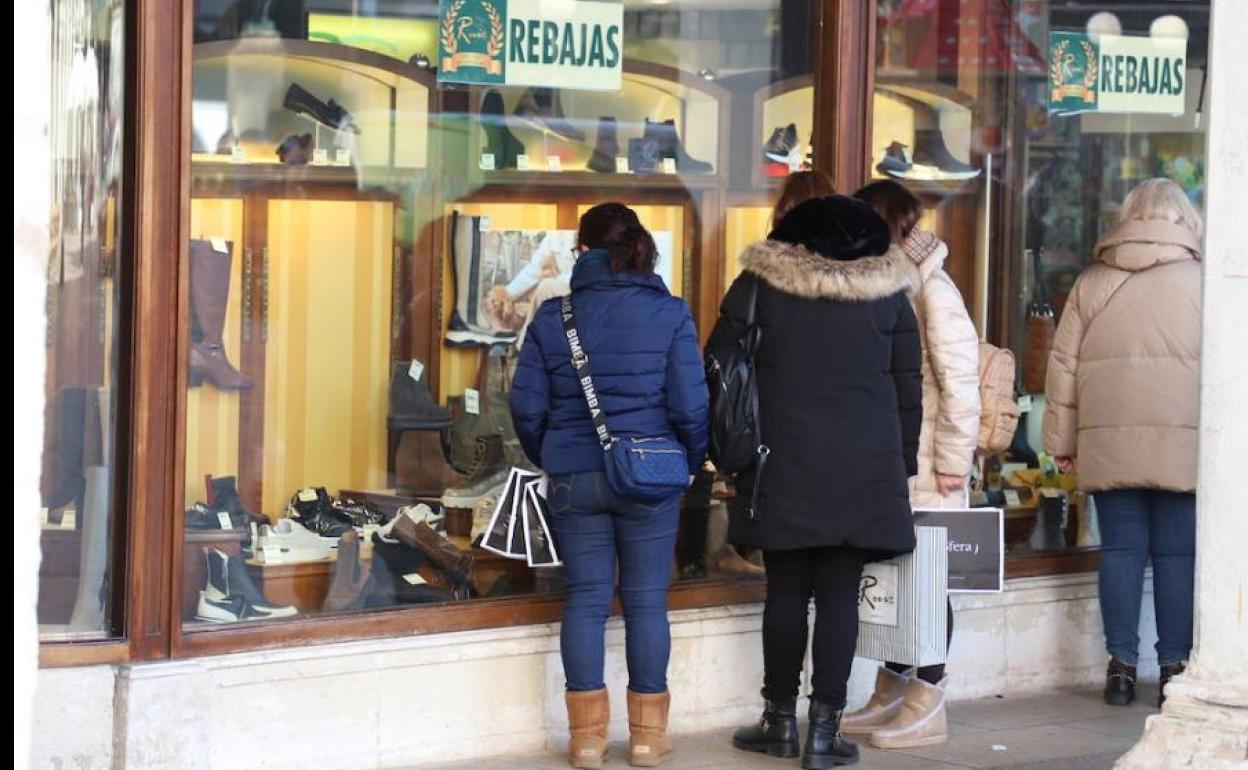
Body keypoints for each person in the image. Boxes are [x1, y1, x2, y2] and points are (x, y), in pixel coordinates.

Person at [715, 195, 922, 768]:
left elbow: (721, 367)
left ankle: (779, 721)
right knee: (838, 595)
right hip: (863, 470)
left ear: (792, 236)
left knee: (784, 591)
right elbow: (909, 389)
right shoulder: (890, 296)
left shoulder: (762, 286)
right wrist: (898, 466)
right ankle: (824, 732)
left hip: (781, 460)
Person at [510, 203, 709, 768]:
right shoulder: (670, 313)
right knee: (647, 602)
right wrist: (688, 461)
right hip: (651, 475)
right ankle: (646, 737)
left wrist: (553, 456)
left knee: (586, 599)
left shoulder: (555, 317)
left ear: (582, 251)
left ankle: (587, 740)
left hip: (575, 476)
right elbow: (691, 404)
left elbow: (526, 407)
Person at [1043, 178, 1202, 708]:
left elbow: (1061, 368)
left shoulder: (1091, 282)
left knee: (1122, 550)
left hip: (1108, 438)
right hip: (1185, 439)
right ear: (1184, 220)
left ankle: (1122, 668)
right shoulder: (1205, 281)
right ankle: (1175, 668)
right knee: (1178, 553)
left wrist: (1061, 442)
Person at [844, 180, 980, 748]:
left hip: (932, 467)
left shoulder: (932, 288)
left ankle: (929, 696)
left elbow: (960, 380)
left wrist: (952, 463)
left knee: (929, 584)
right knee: (900, 580)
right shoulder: (895, 284)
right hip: (900, 463)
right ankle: (893, 686)